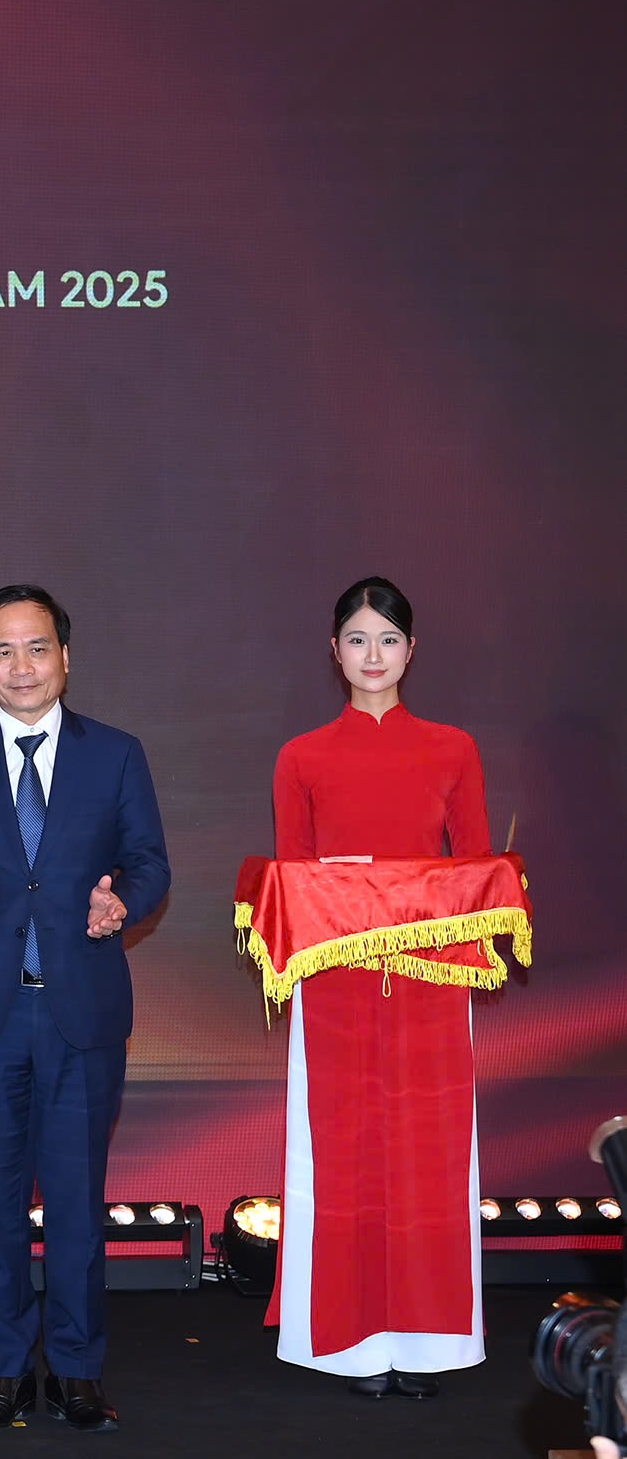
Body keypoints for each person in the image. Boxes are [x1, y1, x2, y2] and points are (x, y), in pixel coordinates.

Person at [0, 584, 169, 1434]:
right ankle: (4, 1369)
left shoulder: (115, 753)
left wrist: (124, 902)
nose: (22, 666)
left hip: (83, 1012)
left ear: (66, 657)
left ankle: (78, 1368)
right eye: (3, 650)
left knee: (79, 1202)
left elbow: (149, 860)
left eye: (37, 647)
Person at [267, 576, 491, 1395]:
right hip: (335, 976)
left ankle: (429, 1346)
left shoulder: (453, 748)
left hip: (430, 977)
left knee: (430, 1151)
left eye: (388, 639)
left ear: (411, 650)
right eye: (358, 639)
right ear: (335, 651)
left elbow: (477, 868)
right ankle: (347, 1344)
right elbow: (291, 877)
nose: (373, 654)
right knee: (342, 1151)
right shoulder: (301, 755)